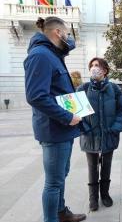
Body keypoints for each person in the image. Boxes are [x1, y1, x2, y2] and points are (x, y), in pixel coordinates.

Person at [24, 17, 86, 222]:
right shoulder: (40, 55)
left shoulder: (52, 54)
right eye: (67, 34)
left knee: (61, 176)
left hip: (63, 129)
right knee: (53, 182)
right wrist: (68, 117)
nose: (69, 38)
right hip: (55, 129)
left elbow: (56, 89)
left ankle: (61, 212)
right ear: (57, 33)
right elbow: (36, 96)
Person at [77, 57, 122, 211]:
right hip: (90, 136)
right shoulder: (83, 89)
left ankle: (105, 194)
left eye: (97, 66)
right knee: (92, 167)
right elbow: (76, 113)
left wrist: (115, 128)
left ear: (105, 70)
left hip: (108, 134)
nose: (94, 68)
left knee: (106, 166)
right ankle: (93, 198)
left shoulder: (114, 89)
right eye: (92, 66)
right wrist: (85, 128)